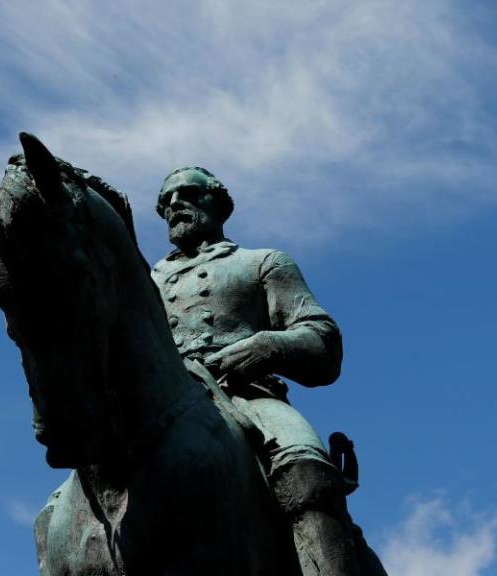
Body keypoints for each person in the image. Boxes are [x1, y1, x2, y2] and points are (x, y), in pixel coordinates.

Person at [151, 166, 370, 576]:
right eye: (165, 202)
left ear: (217, 201)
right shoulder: (146, 281)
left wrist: (266, 345)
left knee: (305, 468)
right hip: (160, 405)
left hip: (246, 397)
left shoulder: (261, 262)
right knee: (56, 512)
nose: (174, 205)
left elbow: (322, 339)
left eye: (186, 194)